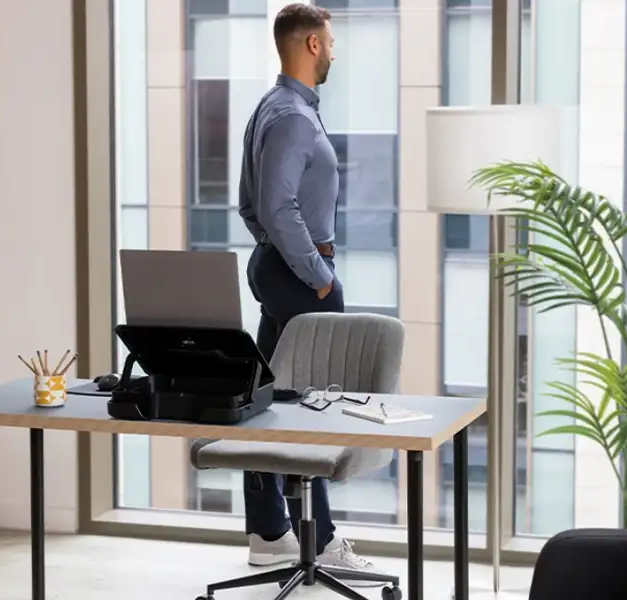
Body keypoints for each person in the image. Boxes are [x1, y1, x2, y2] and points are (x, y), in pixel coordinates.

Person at [236, 2, 386, 586]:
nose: (335, 52)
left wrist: (277, 251)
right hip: (301, 275)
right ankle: (319, 540)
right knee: (313, 408)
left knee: (267, 401)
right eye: (331, 41)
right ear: (313, 45)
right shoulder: (294, 117)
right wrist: (317, 274)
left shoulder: (269, 109)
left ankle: (269, 533)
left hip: (281, 267)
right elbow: (276, 208)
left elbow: (251, 206)